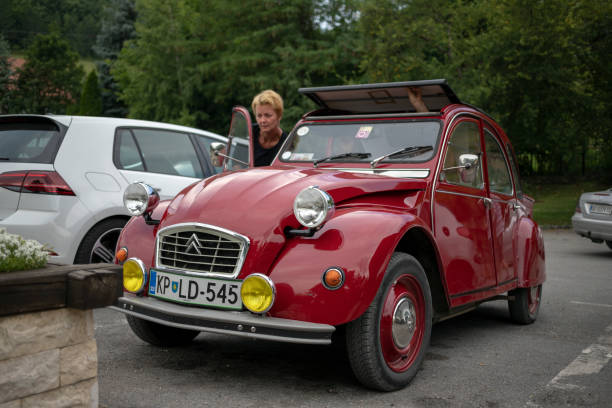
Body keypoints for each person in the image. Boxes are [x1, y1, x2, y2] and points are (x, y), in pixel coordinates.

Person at [251, 89, 287, 166]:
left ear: (279, 116)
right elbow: (236, 167)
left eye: (268, 115)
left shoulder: (287, 144)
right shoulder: (248, 133)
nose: (262, 120)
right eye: (259, 116)